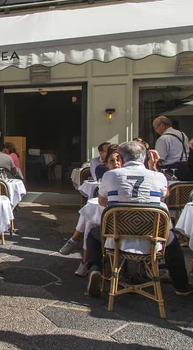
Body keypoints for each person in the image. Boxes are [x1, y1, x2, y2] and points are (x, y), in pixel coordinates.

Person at [85, 141, 193, 296]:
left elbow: (102, 201)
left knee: (93, 234)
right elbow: (166, 195)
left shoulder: (110, 175)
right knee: (171, 240)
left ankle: (95, 269)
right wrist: (154, 167)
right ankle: (181, 286)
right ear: (144, 158)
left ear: (121, 159)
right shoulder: (158, 177)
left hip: (117, 237)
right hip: (152, 239)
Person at [59, 145, 122, 276]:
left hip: (117, 229)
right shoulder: (106, 173)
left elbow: (102, 201)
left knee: (90, 224)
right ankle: (88, 262)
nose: (116, 163)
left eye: (119, 159)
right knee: (90, 218)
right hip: (144, 233)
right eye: (112, 160)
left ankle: (87, 260)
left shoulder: (112, 176)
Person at [153, 115, 190, 181]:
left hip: (170, 170)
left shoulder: (163, 139)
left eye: (155, 128)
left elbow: (160, 158)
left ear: (162, 125)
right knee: (183, 189)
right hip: (185, 168)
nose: (155, 131)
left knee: (171, 190)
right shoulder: (182, 134)